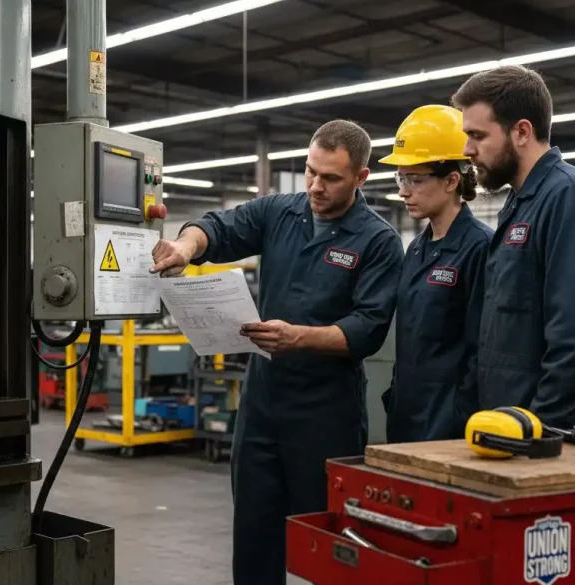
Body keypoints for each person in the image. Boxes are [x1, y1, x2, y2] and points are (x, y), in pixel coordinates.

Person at [150, 120, 403, 584]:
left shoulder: (378, 240)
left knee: (329, 540)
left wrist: (298, 337)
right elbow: (218, 228)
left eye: (330, 178)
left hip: (327, 410)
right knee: (254, 532)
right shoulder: (278, 212)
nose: (315, 186)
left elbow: (368, 329)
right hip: (264, 403)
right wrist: (187, 246)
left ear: (361, 178)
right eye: (310, 171)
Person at [451, 64, 575, 428]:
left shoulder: (572, 197)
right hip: (512, 428)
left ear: (522, 131)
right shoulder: (520, 205)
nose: (467, 149)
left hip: (558, 442)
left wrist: (539, 428)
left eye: (478, 135)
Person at [378, 105, 492, 443]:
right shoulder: (416, 248)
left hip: (448, 422)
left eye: (415, 179)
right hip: (407, 413)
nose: (403, 191)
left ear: (452, 180)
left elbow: (482, 350)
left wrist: (461, 414)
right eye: (401, 178)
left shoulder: (480, 248)